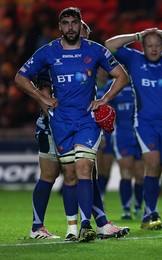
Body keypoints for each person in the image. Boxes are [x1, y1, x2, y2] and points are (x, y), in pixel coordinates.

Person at [16, 7, 129, 242]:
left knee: (85, 168)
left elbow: (121, 75)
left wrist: (104, 99)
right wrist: (42, 98)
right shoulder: (49, 54)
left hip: (84, 120)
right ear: (60, 27)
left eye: (76, 24)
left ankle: (93, 223)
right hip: (53, 123)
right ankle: (39, 226)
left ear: (81, 26)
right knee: (53, 174)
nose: (72, 28)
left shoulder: (93, 51)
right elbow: (32, 81)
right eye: (66, 23)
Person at [105, 27, 162, 230]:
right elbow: (109, 45)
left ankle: (149, 213)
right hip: (144, 124)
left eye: (158, 45)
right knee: (153, 165)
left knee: (156, 170)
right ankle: (150, 214)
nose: (154, 49)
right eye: (149, 45)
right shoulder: (135, 59)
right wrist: (136, 36)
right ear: (143, 47)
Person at [95, 67, 145, 220]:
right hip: (122, 135)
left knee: (140, 175)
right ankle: (125, 210)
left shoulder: (141, 87)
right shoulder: (114, 86)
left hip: (140, 133)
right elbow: (105, 111)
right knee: (126, 173)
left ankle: (137, 207)